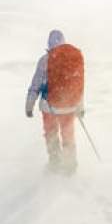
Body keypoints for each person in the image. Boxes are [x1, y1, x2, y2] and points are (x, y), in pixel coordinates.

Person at [26, 30, 85, 174]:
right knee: (68, 135)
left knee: (51, 134)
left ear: (49, 44)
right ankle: (70, 166)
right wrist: (80, 107)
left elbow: (35, 85)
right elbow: (78, 86)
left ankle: (55, 163)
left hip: (49, 107)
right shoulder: (72, 59)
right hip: (69, 107)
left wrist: (29, 105)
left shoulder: (44, 61)